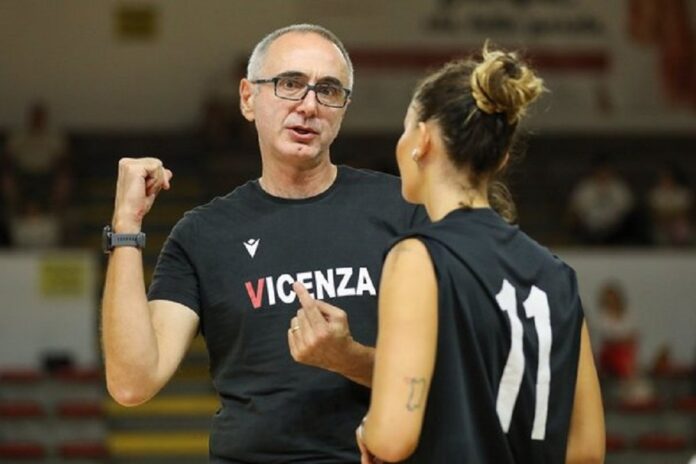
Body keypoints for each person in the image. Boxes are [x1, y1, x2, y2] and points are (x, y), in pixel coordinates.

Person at [101, 24, 423, 463]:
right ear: (248, 98)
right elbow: (132, 383)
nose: (308, 106)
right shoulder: (203, 233)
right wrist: (126, 225)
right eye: (290, 84)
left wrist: (347, 358)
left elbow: (456, 374)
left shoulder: (404, 208)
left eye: (328, 90)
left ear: (343, 109)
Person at [356, 45, 605, 463]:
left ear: (422, 140)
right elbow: (587, 451)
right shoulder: (557, 275)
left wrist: (369, 431)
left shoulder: (417, 258)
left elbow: (393, 437)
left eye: (404, 130)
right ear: (502, 155)